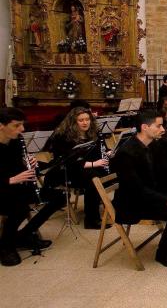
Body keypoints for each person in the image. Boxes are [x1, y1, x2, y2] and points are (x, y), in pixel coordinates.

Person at [110, 111, 167, 268]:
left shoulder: (153, 144)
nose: (163, 129)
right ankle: (163, 254)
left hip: (150, 194)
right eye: (159, 125)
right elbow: (137, 188)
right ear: (145, 127)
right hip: (132, 202)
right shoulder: (126, 153)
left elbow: (165, 170)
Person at [0, 108, 63, 266]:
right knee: (19, 207)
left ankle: (23, 236)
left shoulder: (17, 141)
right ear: (1, 125)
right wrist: (11, 180)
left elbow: (20, 167)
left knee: (59, 198)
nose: (22, 129)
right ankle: (6, 247)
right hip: (3, 191)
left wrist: (30, 163)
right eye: (17, 125)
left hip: (18, 189)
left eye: (22, 125)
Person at [45, 107, 110, 229]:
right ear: (73, 122)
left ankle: (115, 207)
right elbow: (67, 161)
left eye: (87, 119)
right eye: (81, 120)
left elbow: (103, 150)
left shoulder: (94, 133)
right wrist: (94, 164)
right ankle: (91, 220)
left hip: (88, 167)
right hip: (67, 171)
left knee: (118, 169)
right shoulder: (63, 137)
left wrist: (109, 153)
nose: (85, 123)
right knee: (93, 178)